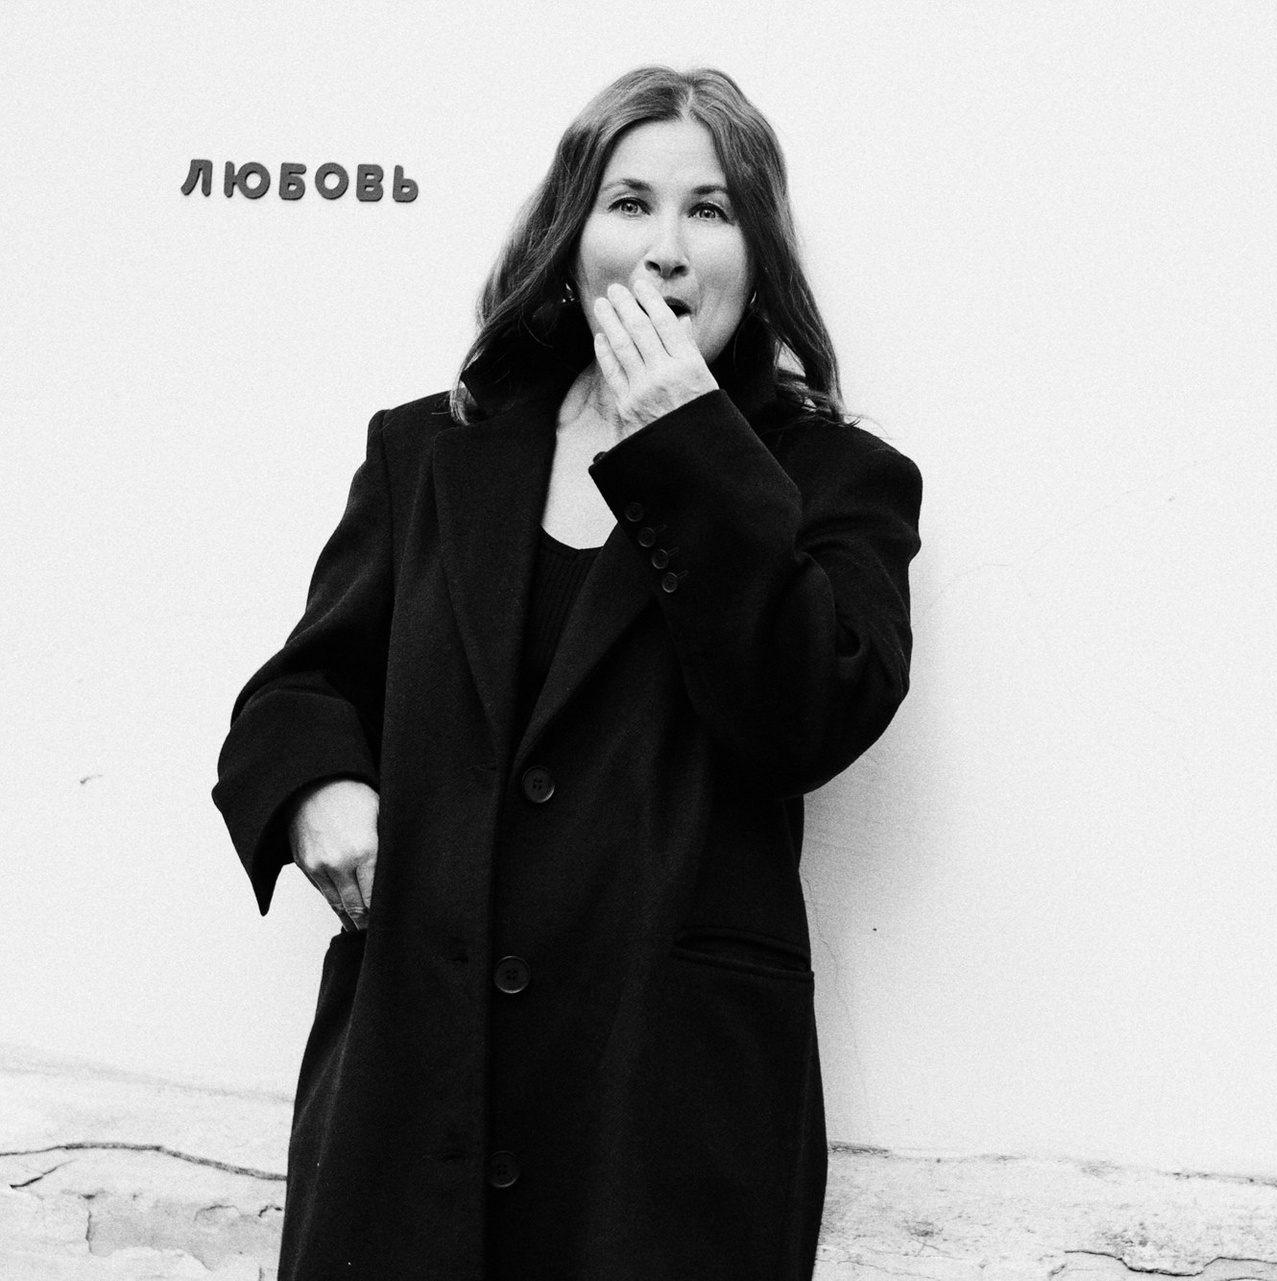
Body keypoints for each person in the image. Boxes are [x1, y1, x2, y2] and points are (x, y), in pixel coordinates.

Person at [212, 66, 921, 1280]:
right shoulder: (432, 448)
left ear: (758, 254)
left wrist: (690, 443)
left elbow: (808, 717)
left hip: (660, 1115)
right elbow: (298, 691)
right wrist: (316, 787)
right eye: (629, 203)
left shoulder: (837, 479)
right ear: (570, 236)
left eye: (711, 210)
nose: (665, 248)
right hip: (413, 1095)